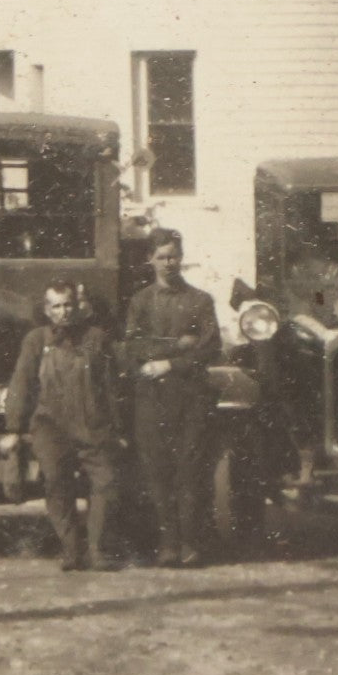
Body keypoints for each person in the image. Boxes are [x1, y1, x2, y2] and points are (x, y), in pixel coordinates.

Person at [0, 280, 123, 571]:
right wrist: (14, 428)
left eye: (68, 305)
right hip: (50, 427)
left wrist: (117, 430)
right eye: (56, 306)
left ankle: (97, 549)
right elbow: (21, 383)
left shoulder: (96, 338)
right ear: (47, 310)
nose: (63, 312)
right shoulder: (36, 341)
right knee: (56, 482)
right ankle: (70, 550)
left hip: (92, 425)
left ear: (77, 306)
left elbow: (111, 388)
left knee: (105, 483)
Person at [122, 229, 220, 567]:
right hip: (152, 398)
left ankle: (190, 544)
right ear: (150, 259)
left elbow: (210, 347)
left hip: (191, 398)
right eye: (161, 256)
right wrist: (179, 343)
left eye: (173, 256)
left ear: (181, 257)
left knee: (190, 471)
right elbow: (132, 346)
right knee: (157, 472)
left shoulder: (200, 300)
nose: (168, 263)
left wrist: (169, 361)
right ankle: (167, 544)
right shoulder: (140, 301)